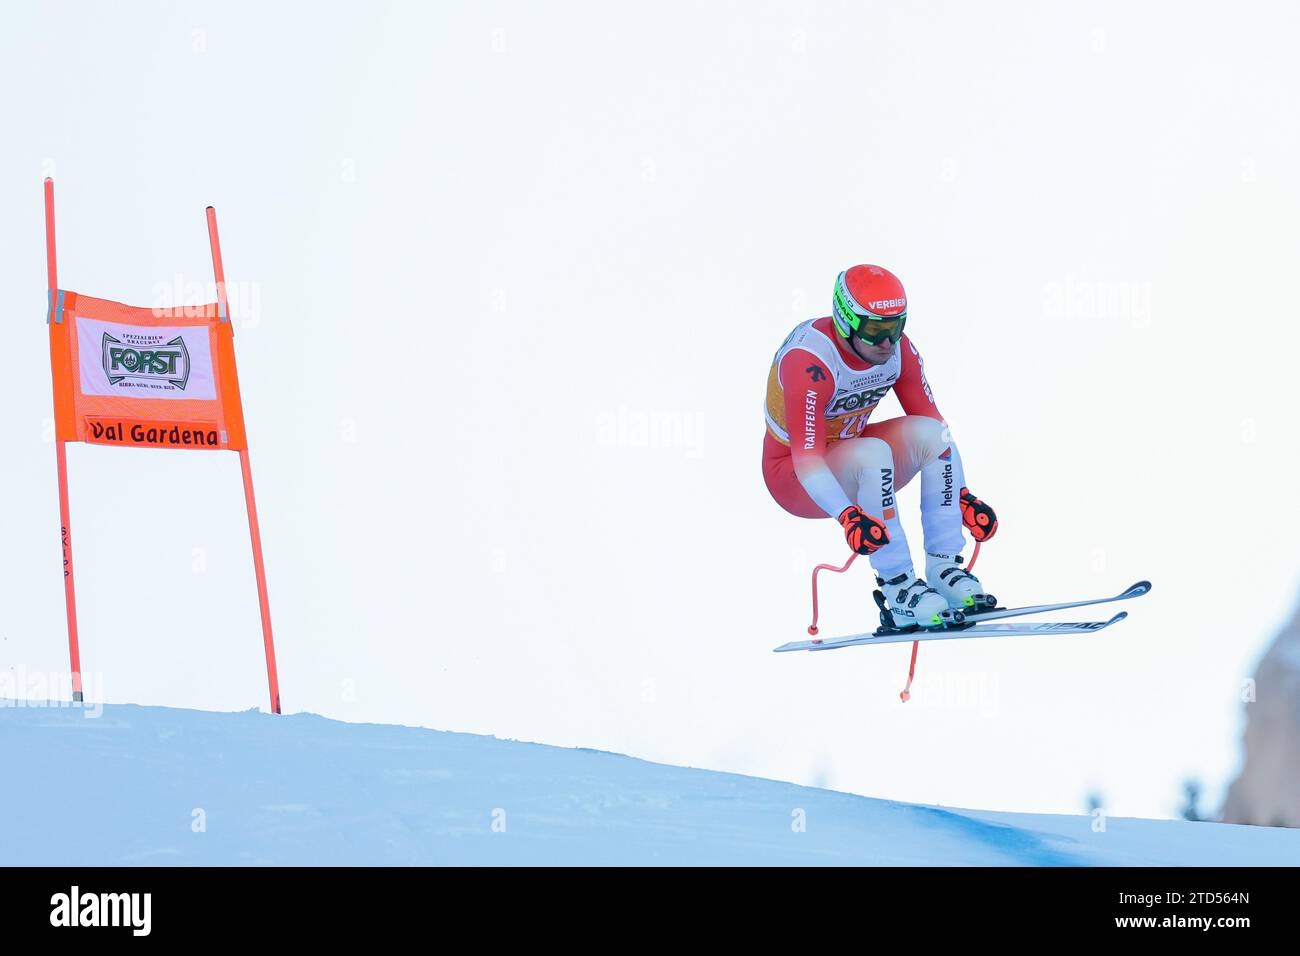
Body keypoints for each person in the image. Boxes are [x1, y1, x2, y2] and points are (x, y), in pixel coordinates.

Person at [762, 264, 998, 628]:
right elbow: (807, 460)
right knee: (873, 455)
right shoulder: (810, 362)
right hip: (794, 476)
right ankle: (898, 587)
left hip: (852, 455)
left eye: (895, 327)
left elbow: (934, 425)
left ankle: (944, 568)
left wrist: (960, 495)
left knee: (934, 436)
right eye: (875, 330)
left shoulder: (900, 352)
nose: (887, 342)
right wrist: (848, 516)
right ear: (846, 321)